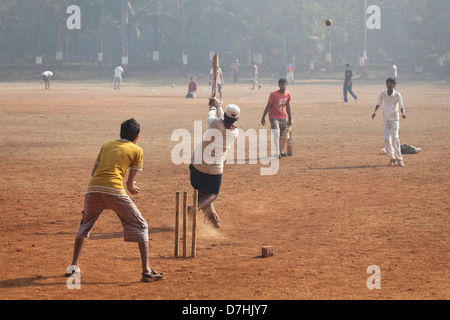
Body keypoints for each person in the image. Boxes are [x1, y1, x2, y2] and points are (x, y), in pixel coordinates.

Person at [65, 118, 165, 282]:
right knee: (142, 225)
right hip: (115, 191)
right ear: (137, 137)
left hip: (93, 188)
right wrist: (131, 187)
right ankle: (146, 271)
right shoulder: (137, 150)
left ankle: (73, 267)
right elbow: (130, 183)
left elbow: (94, 172)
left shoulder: (106, 145)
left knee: (85, 225)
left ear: (120, 133)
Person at [189, 98, 240, 228]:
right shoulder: (235, 133)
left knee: (201, 192)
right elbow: (224, 118)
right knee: (212, 194)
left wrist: (213, 105)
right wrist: (218, 105)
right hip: (215, 169)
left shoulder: (213, 123)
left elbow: (211, 114)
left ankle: (210, 217)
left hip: (197, 165)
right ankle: (198, 209)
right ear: (237, 119)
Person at [371, 77, 406, 167]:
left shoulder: (397, 95)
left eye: (391, 84)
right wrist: (374, 112)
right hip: (385, 119)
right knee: (386, 139)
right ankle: (392, 158)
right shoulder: (383, 93)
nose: (389, 86)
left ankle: (399, 159)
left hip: (394, 119)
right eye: (388, 84)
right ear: (386, 84)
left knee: (395, 138)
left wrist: (403, 113)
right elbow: (378, 103)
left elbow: (401, 106)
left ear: (394, 86)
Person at [261, 78, 293, 158]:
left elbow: (288, 106)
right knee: (276, 134)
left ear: (287, 85)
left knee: (284, 135)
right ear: (279, 85)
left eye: (284, 84)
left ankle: (281, 151)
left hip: (282, 117)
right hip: (273, 117)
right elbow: (268, 106)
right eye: (281, 84)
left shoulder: (288, 94)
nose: (283, 86)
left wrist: (290, 117)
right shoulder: (273, 94)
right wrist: (263, 117)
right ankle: (277, 152)